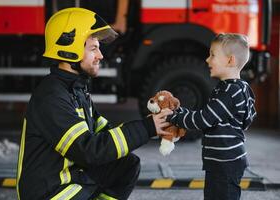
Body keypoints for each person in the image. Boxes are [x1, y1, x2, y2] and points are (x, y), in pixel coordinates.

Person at [16, 8, 172, 200]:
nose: (100, 55)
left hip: (68, 181)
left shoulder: (75, 89)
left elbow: (104, 132)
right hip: (51, 193)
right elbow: (89, 150)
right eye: (93, 48)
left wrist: (155, 126)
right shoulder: (52, 97)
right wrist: (147, 128)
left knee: (126, 165)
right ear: (68, 50)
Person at [161, 33, 257, 200]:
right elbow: (246, 117)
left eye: (213, 55)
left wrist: (173, 116)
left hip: (225, 162)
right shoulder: (235, 87)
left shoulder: (229, 92)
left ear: (230, 61)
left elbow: (203, 119)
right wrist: (181, 112)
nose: (207, 59)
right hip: (222, 161)